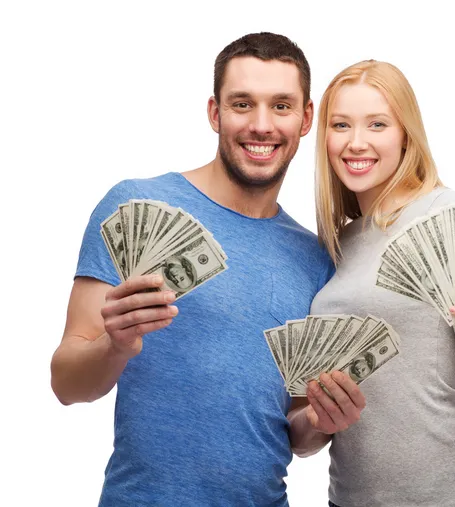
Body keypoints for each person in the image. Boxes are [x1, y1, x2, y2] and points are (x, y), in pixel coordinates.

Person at [50, 32, 361, 507]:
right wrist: (115, 345)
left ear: (305, 119)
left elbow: (297, 432)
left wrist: (322, 422)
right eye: (242, 104)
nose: (261, 125)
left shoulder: (315, 259)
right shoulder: (135, 205)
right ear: (215, 113)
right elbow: (65, 384)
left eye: (281, 106)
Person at [287, 60, 455, 507]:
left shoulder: (447, 215)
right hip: (347, 499)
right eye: (340, 125)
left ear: (405, 133)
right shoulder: (336, 245)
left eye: (377, 124)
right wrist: (318, 418)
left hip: (449, 497)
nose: (356, 142)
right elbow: (303, 432)